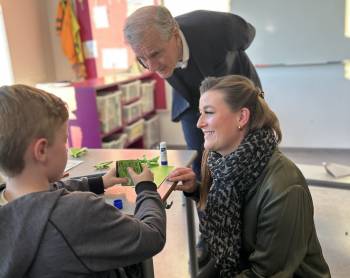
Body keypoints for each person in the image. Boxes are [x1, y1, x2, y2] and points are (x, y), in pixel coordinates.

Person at [123, 5, 261, 265]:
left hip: (238, 97)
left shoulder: (214, 28)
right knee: (201, 166)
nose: (151, 66)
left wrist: (229, 63)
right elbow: (156, 59)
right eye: (142, 59)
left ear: (175, 35)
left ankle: (251, 231)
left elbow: (247, 33)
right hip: (190, 100)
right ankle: (209, 233)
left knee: (243, 161)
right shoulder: (153, 52)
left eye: (155, 54)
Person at [168, 75, 331, 277]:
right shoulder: (221, 162)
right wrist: (197, 189)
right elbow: (234, 208)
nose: (199, 123)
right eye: (200, 113)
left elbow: (265, 274)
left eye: (208, 113)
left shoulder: (285, 186)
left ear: (241, 118)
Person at [0, 85, 166, 277]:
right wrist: (146, 188)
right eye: (64, 141)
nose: (67, 148)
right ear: (42, 151)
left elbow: (43, 197)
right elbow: (152, 236)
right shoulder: (79, 211)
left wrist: (99, 182)